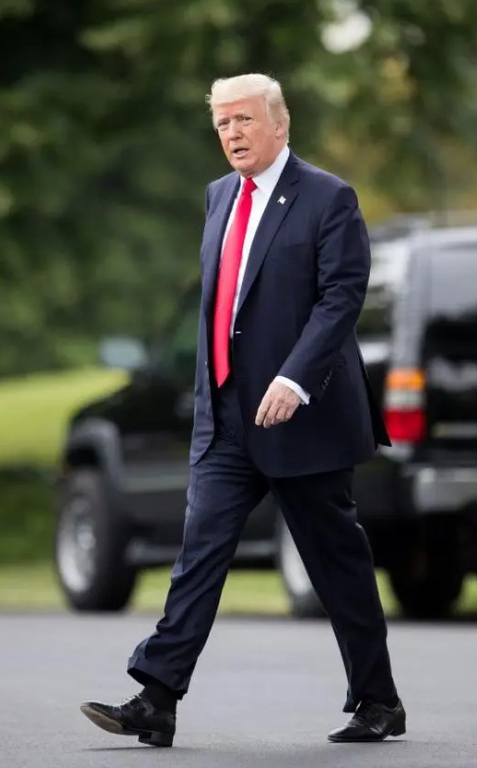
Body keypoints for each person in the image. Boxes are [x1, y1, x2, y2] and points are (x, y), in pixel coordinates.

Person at [80, 73, 405, 747]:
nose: (232, 133)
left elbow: (341, 297)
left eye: (244, 120)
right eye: (222, 123)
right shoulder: (218, 196)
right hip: (227, 419)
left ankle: (378, 701)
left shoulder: (328, 197)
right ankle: (157, 696)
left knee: (336, 563)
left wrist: (295, 378)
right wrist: (210, 400)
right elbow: (222, 307)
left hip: (302, 417)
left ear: (279, 124)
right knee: (198, 552)